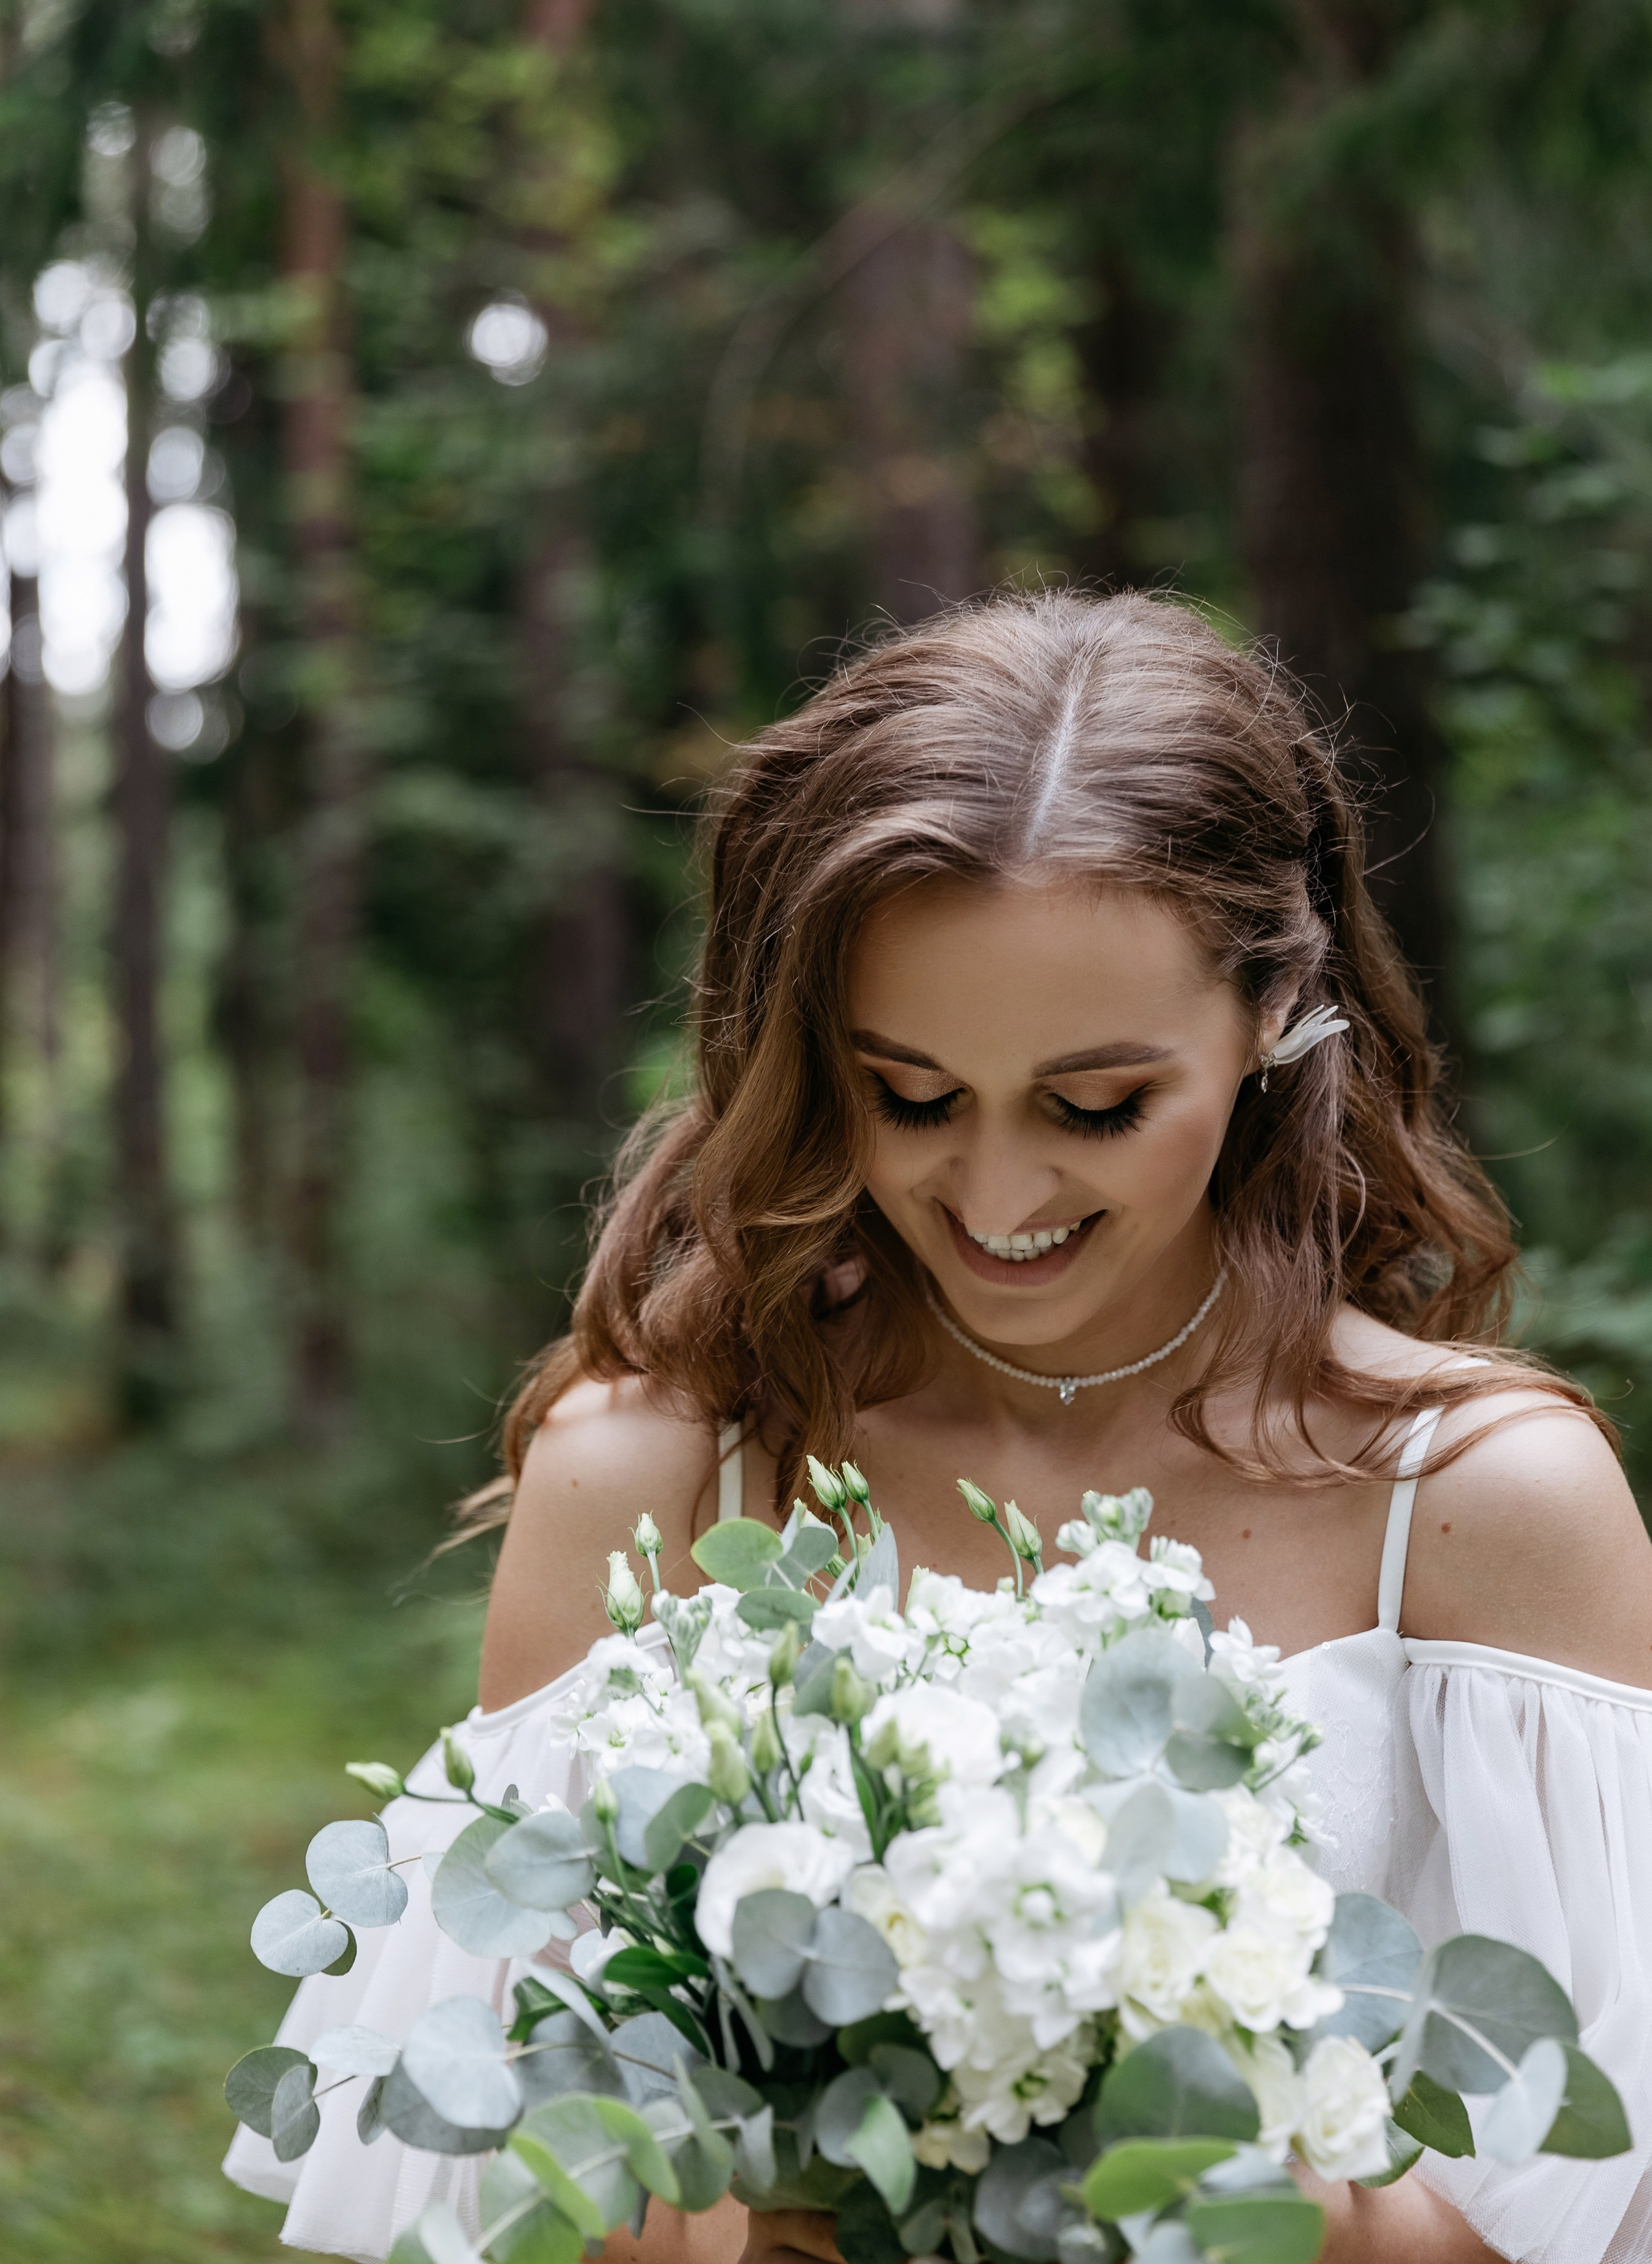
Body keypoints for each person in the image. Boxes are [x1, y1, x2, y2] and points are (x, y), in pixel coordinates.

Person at [226, 590, 1652, 2264]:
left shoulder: (1483, 1501)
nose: (993, 1193)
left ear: (1276, 1004)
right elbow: (538, 2177)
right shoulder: (652, 1480)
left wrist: (1229, 2154)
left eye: (1095, 1105)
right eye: (908, 1093)